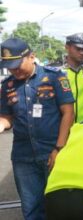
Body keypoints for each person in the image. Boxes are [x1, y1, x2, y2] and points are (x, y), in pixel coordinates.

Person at [0, 38, 75, 220]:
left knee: (59, 208)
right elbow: (7, 117)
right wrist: (1, 124)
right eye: (10, 66)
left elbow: (68, 113)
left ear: (32, 57)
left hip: (53, 152)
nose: (14, 70)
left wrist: (59, 148)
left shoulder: (55, 77)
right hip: (23, 157)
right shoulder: (7, 85)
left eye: (17, 65)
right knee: (31, 209)